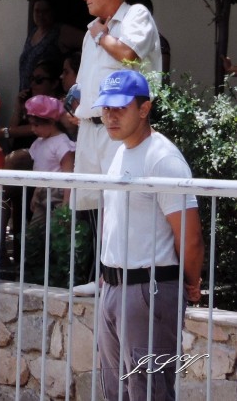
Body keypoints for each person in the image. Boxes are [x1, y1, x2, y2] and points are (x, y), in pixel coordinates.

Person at [93, 69, 201, 401]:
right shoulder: (120, 152)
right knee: (115, 392)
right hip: (114, 288)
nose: (110, 115)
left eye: (120, 108)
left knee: (148, 393)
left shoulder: (163, 158)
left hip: (149, 288)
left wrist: (191, 286)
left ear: (144, 108)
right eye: (106, 108)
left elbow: (191, 234)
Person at [71, 0, 162, 274]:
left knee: (123, 201)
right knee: (95, 204)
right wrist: (72, 106)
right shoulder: (91, 31)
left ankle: (125, 274)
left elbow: (128, 54)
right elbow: (83, 83)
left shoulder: (136, 16)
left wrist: (99, 34)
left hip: (123, 129)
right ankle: (102, 276)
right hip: (91, 126)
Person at [19, 0, 63, 97]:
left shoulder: (58, 32)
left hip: (46, 95)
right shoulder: (32, 33)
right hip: (27, 93)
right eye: (37, 11)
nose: (40, 15)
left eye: (45, 11)